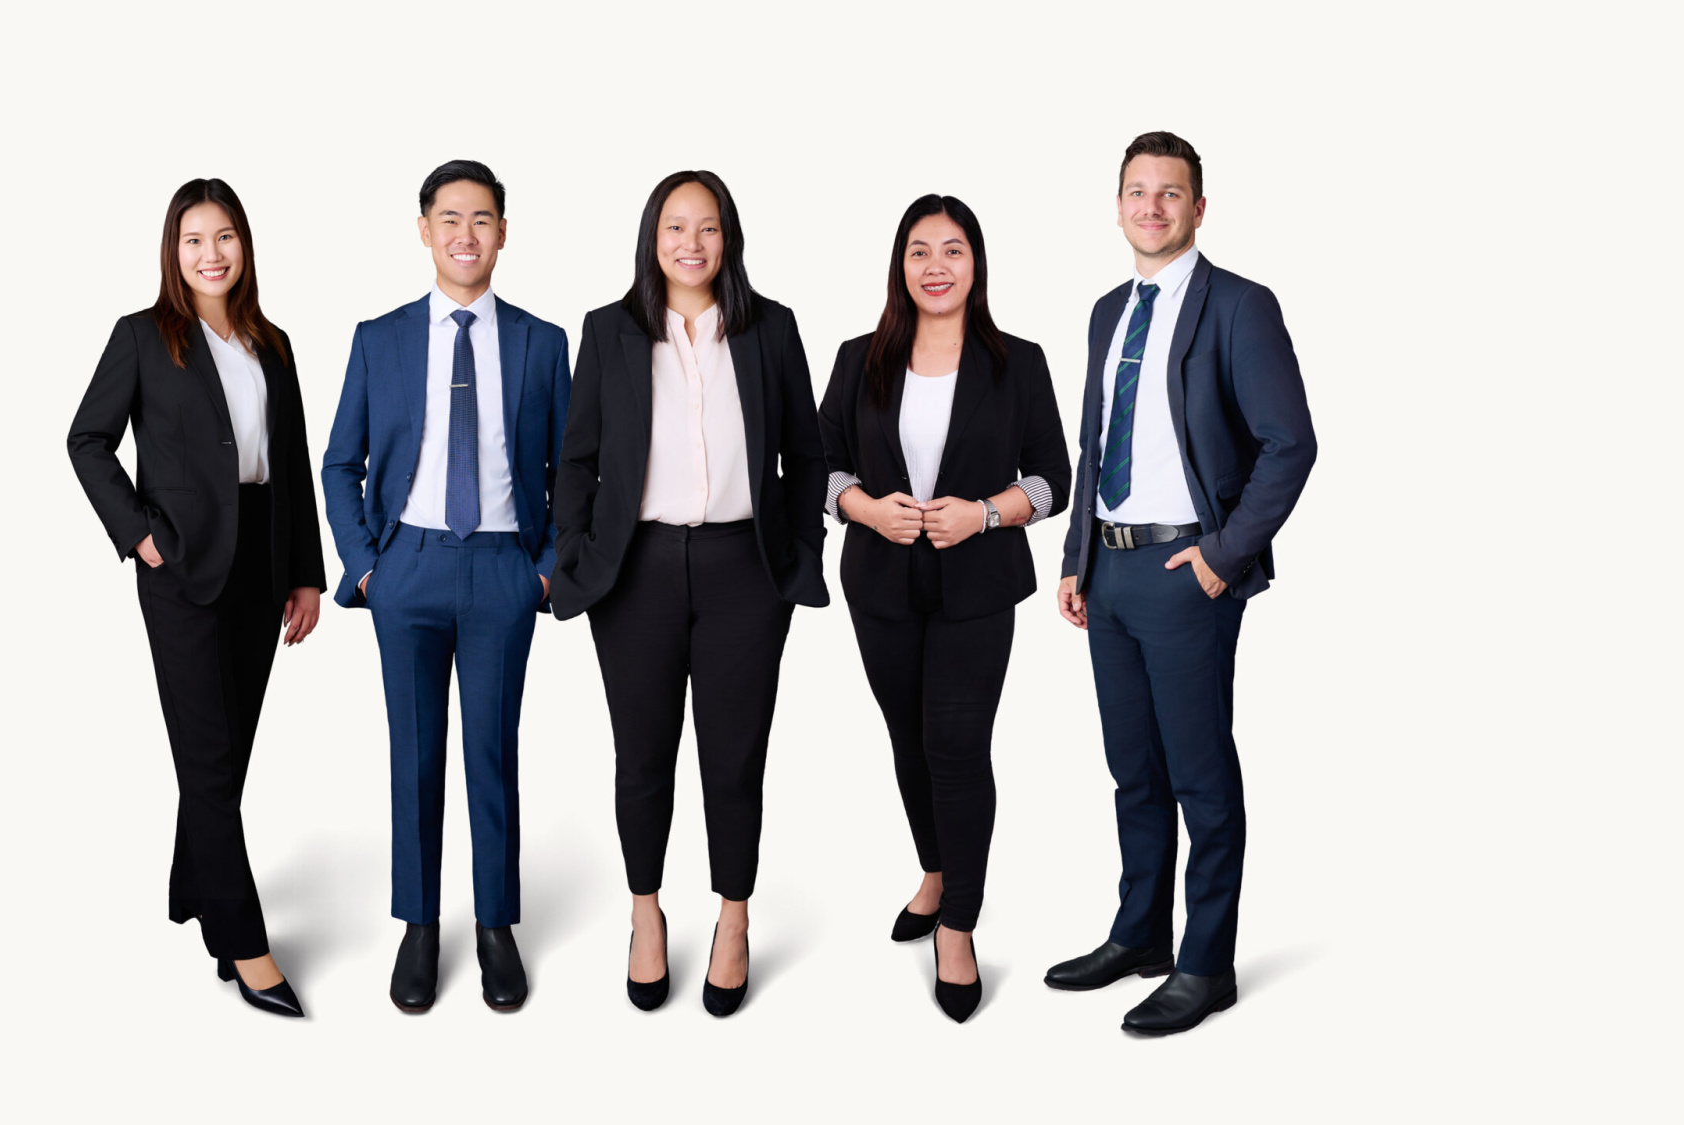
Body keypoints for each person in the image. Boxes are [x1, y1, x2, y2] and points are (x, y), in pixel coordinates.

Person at [1044, 132, 1317, 1036]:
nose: (1152, 207)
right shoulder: (1103, 312)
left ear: (1199, 207)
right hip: (1110, 566)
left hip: (1185, 571)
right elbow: (1092, 444)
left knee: (1200, 774)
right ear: (1116, 202)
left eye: (1171, 194)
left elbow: (1291, 444)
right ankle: (1140, 935)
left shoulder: (1239, 306)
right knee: (1133, 770)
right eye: (1137, 191)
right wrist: (1077, 555)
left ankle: (1207, 963)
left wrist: (1220, 557)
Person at [552, 170, 827, 1017]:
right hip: (633, 573)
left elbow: (807, 457)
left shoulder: (770, 329)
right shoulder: (609, 331)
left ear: (729, 238)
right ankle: (645, 912)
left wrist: (796, 559)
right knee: (641, 757)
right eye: (676, 227)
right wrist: (580, 554)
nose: (692, 243)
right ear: (653, 237)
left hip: (746, 570)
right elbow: (575, 460)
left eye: (708, 228)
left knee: (733, 756)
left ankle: (733, 918)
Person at [67, 178, 325, 1017]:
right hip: (179, 567)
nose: (211, 254)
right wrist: (139, 533)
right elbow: (87, 438)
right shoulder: (143, 338)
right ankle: (246, 943)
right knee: (209, 762)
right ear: (173, 253)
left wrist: (305, 571)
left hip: (262, 559)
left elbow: (291, 463)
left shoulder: (272, 342)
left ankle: (199, 892)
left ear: (244, 246)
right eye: (193, 240)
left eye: (225, 238)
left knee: (227, 754)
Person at [321, 160, 570, 1014]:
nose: (467, 235)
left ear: (505, 232)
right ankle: (419, 924)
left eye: (484, 219)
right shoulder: (378, 337)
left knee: (491, 754)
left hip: (505, 565)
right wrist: (366, 569)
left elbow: (573, 471)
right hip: (409, 568)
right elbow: (340, 462)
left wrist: (544, 568)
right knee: (415, 753)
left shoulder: (543, 341)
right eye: (451, 218)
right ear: (423, 228)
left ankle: (496, 924)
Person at [818, 194, 1071, 1023]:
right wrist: (863, 507)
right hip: (881, 586)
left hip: (977, 586)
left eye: (953, 250)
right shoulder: (859, 359)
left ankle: (957, 922)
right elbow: (822, 467)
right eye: (920, 250)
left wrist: (986, 513)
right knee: (908, 741)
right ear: (900, 265)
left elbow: (1052, 477)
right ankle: (934, 869)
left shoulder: (1017, 362)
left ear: (977, 265)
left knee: (958, 746)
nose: (936, 265)